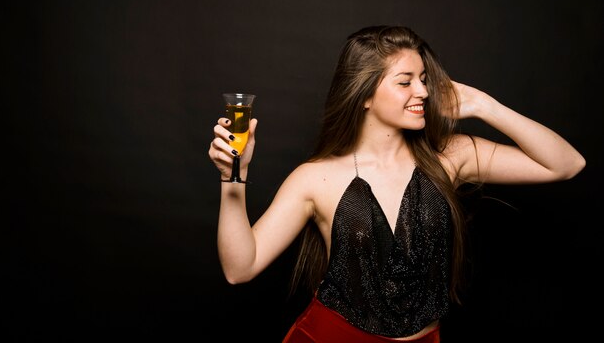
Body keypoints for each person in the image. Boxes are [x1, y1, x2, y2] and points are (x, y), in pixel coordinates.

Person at [208, 25, 585, 342]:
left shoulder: (451, 156)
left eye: (423, 79)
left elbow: (566, 164)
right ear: (365, 94)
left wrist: (485, 105)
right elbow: (240, 269)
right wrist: (232, 176)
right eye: (405, 81)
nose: (423, 91)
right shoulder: (316, 177)